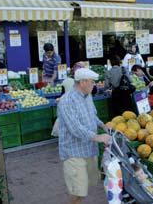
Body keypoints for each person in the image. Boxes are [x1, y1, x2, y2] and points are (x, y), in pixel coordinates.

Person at [57, 68, 111, 204]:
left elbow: (93, 116)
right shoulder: (67, 101)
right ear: (83, 82)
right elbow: (75, 128)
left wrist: (102, 125)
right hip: (73, 152)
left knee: (89, 184)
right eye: (92, 82)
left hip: (88, 149)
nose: (95, 85)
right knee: (78, 192)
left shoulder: (87, 96)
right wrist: (98, 137)